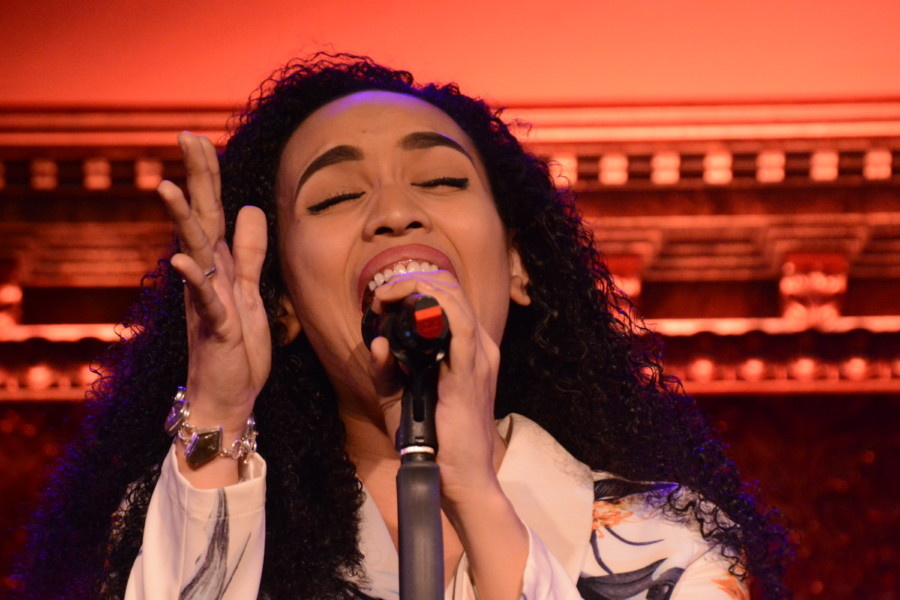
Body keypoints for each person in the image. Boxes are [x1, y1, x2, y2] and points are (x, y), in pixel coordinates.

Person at [16, 53, 790, 600]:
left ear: (519, 266)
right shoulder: (190, 515)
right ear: (282, 303)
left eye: (442, 180)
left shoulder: (667, 543)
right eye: (334, 197)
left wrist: (475, 494)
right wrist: (218, 409)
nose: (394, 211)